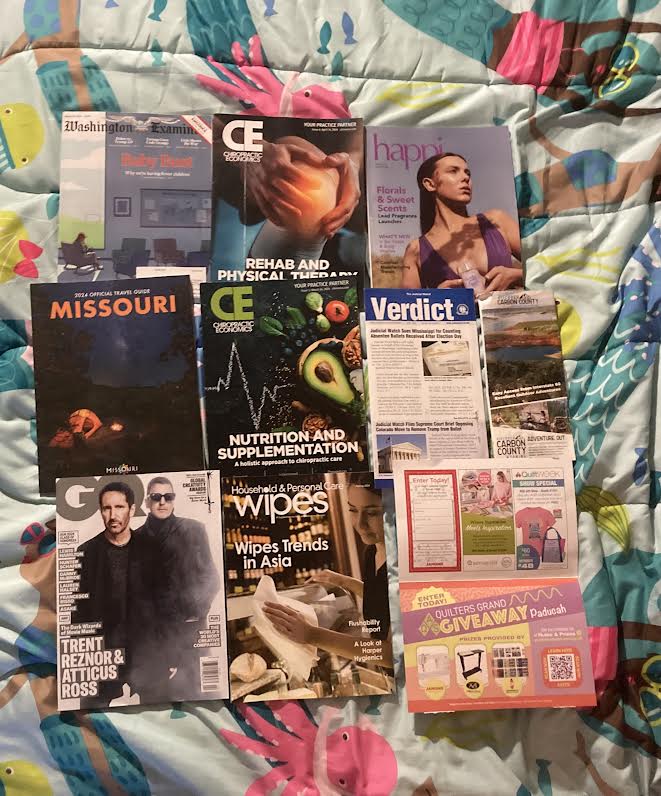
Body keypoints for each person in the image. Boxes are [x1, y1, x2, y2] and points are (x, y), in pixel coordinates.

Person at [263, 474, 393, 668]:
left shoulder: (402, 561)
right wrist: (341, 581)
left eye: (372, 513)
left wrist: (311, 635)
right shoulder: (371, 551)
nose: (359, 523)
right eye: (352, 510)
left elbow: (390, 654)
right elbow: (382, 599)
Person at [75, 482, 157, 704]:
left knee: (159, 712)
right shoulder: (85, 552)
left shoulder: (152, 549)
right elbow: (77, 613)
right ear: (100, 511)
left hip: (145, 652)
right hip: (104, 653)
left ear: (132, 510)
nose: (113, 515)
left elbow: (165, 603)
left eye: (119, 507)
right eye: (106, 508)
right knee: (92, 714)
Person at [139, 476, 220, 698]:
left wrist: (194, 613)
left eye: (168, 496)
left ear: (174, 500)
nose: (162, 502)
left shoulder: (194, 529)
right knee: (155, 698)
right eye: (156, 497)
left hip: (190, 632)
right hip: (154, 637)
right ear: (147, 502)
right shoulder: (136, 538)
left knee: (200, 694)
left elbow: (211, 577)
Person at [401, 152, 523, 291]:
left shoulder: (496, 221)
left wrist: (516, 275)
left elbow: (543, 266)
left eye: (467, 173)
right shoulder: (416, 250)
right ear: (430, 184)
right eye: (453, 171)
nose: (465, 178)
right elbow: (406, 302)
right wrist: (436, 298)